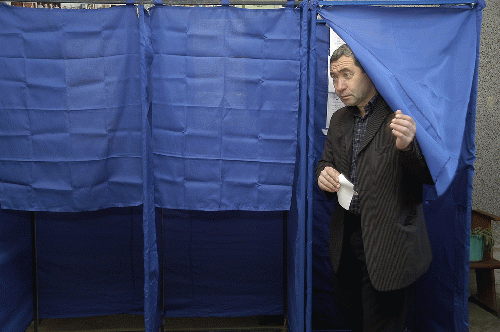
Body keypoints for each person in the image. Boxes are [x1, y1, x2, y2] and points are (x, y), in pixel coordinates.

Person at [316, 44, 434, 332]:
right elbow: (325, 162)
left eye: (347, 74)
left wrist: (407, 147)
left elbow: (429, 175)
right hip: (347, 240)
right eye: (334, 77)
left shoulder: (399, 114)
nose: (339, 86)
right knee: (351, 315)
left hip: (388, 246)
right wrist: (323, 175)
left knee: (384, 325)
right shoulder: (339, 119)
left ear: (370, 73)